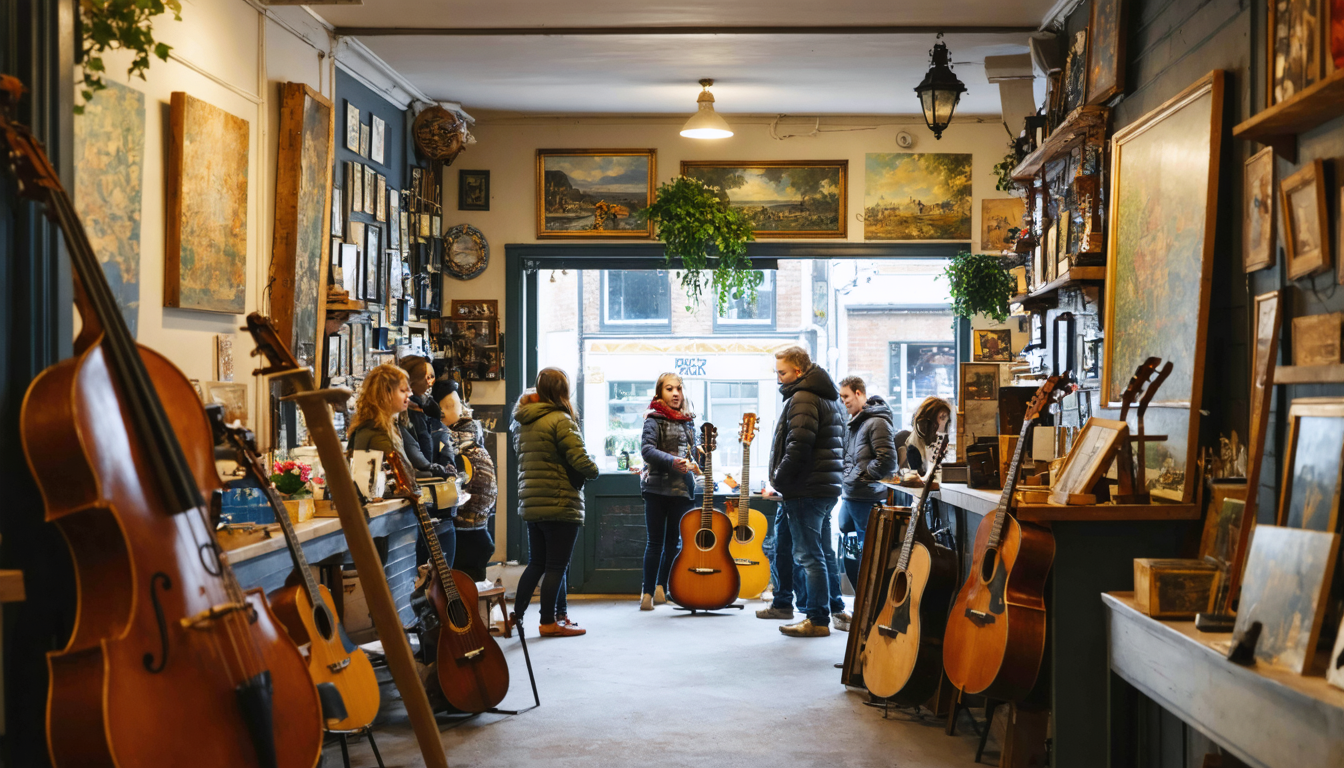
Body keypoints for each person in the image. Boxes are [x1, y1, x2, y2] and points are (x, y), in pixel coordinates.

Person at [759, 346, 845, 638]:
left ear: (798, 371)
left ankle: (817, 619)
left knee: (809, 556)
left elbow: (798, 446)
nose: (778, 379)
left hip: (806, 488)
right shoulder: (825, 396)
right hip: (822, 487)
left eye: (782, 372)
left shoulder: (804, 397)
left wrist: (779, 482)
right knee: (819, 552)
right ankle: (824, 611)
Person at [511, 368, 599, 637]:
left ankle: (517, 617)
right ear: (563, 391)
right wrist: (594, 470)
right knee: (556, 567)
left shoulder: (522, 421)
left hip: (532, 502)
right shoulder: (561, 420)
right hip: (559, 502)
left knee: (537, 563)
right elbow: (580, 460)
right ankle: (549, 622)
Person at [348, 364, 455, 568]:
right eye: (403, 390)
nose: (410, 394)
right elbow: (369, 484)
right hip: (374, 525)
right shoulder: (374, 430)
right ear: (386, 393)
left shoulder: (389, 427)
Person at [638, 372, 701, 611]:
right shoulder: (653, 418)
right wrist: (674, 462)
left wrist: (696, 465)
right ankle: (646, 593)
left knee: (674, 544)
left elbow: (692, 455)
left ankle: (662, 588)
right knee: (655, 543)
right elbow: (646, 450)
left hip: (683, 490)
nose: (675, 393)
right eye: (669, 389)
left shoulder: (689, 421)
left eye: (679, 389)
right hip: (656, 488)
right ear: (659, 393)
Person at [837, 376, 897, 619]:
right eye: (841, 398)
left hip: (867, 499)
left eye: (847, 397)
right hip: (850, 497)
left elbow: (888, 460)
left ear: (859, 393)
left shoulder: (877, 423)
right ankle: (860, 606)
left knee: (869, 558)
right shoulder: (854, 422)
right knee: (851, 556)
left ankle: (869, 611)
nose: (844, 403)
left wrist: (862, 476)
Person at [435, 380, 496, 584]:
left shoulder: (448, 440)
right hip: (480, 526)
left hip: (462, 531)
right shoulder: (474, 432)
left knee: (463, 592)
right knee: (473, 590)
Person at [402, 356, 456, 469]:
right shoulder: (407, 413)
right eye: (428, 377)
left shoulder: (425, 408)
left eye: (432, 377)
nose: (431, 382)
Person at [905, 397, 952, 473]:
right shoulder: (914, 450)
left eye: (947, 418)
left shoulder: (945, 442)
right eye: (942, 417)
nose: (944, 423)